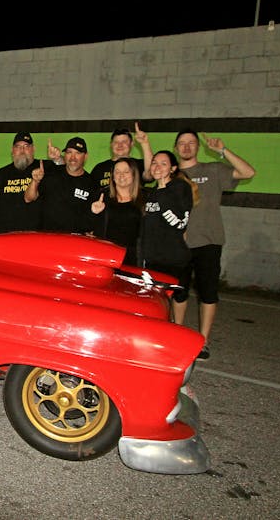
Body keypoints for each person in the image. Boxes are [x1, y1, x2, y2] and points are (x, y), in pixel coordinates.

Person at [171, 129, 256, 360]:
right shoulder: (172, 175)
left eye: (191, 143)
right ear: (175, 148)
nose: (186, 147)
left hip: (209, 242)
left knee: (208, 293)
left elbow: (248, 172)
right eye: (182, 143)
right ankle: (176, 335)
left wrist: (223, 151)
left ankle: (203, 342)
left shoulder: (213, 170)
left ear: (198, 147)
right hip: (180, 244)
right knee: (179, 293)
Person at [140, 150, 193, 290]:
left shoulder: (180, 187)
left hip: (172, 259)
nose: (157, 167)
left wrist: (163, 192)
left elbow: (179, 223)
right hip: (152, 259)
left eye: (163, 164)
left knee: (174, 298)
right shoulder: (152, 192)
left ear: (172, 168)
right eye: (154, 163)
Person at [25, 137, 100, 233]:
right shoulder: (51, 172)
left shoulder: (92, 183)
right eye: (69, 152)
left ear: (85, 156)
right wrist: (35, 181)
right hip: (47, 237)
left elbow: (91, 220)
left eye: (77, 153)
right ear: (64, 155)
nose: (73, 158)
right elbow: (28, 198)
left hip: (74, 240)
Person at [90, 157, 145, 266]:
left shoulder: (144, 198)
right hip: (105, 256)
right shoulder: (102, 197)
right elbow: (86, 226)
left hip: (133, 258)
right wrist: (93, 212)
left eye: (126, 172)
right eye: (117, 172)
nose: (121, 175)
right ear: (113, 176)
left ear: (134, 175)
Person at [0, 132, 46, 232]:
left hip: (38, 235)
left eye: (26, 146)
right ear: (12, 150)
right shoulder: (0, 175)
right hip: (7, 235)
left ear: (33, 149)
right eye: (18, 146)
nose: (22, 150)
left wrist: (58, 159)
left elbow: (68, 171)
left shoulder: (46, 168)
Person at [89, 123, 153, 190]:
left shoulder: (138, 165)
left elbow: (150, 175)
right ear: (111, 145)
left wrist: (144, 143)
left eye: (124, 142)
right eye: (116, 142)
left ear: (131, 144)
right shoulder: (99, 168)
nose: (120, 145)